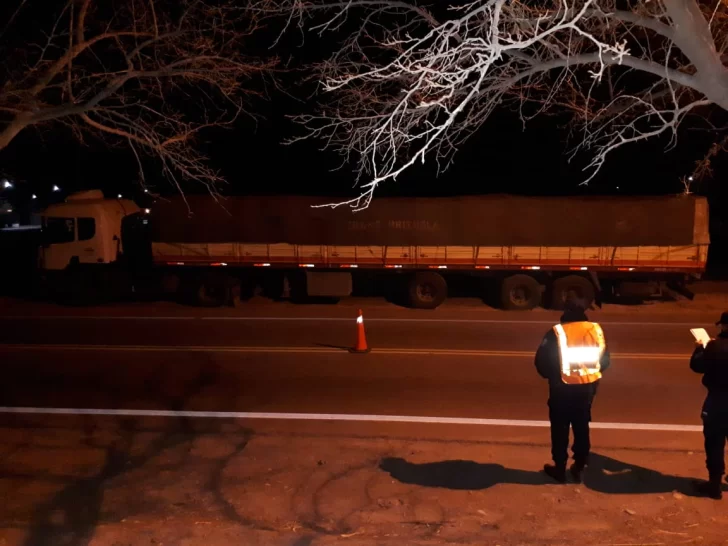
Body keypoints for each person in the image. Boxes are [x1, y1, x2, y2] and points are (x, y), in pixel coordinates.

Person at [535, 299, 611, 483]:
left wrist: (553, 376)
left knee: (560, 428)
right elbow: (605, 361)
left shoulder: (557, 332)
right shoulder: (595, 330)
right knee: (581, 426)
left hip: (561, 389)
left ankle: (560, 469)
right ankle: (579, 466)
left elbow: (541, 363)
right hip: (586, 389)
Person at [690, 311, 728, 500]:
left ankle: (714, 485)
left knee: (714, 443)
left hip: (718, 401)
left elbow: (697, 366)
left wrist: (700, 348)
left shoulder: (714, 346)